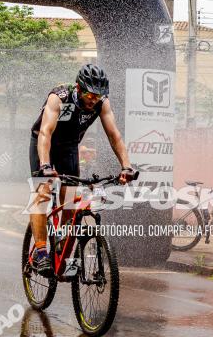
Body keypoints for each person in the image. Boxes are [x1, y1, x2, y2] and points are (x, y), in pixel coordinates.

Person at [28, 64, 135, 275]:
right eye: (90, 94)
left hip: (68, 146)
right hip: (42, 142)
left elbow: (115, 136)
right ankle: (40, 253)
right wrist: (45, 165)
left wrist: (127, 166)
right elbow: (45, 133)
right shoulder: (59, 97)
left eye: (98, 95)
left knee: (69, 197)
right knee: (42, 193)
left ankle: (61, 238)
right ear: (79, 87)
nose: (94, 99)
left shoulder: (101, 103)